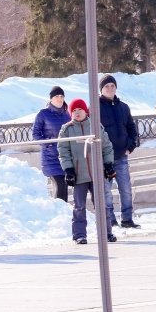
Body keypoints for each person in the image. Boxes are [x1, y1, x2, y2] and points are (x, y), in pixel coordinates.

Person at [57, 99, 117, 245]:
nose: (77, 113)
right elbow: (63, 151)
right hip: (78, 174)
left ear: (86, 111)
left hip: (97, 173)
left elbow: (107, 147)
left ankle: (106, 232)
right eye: (74, 111)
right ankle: (79, 235)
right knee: (79, 205)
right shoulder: (67, 129)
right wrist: (69, 169)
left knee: (101, 204)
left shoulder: (95, 126)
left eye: (80, 110)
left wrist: (108, 164)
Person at [97, 75, 140, 229]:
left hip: (122, 155)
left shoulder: (123, 107)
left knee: (126, 189)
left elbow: (131, 128)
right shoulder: (96, 107)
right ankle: (110, 219)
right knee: (106, 191)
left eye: (112, 86)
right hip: (104, 158)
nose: (110, 89)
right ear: (101, 89)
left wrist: (130, 146)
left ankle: (127, 219)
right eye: (106, 86)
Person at [32, 86, 71, 201]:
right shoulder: (43, 114)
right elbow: (35, 134)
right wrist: (47, 144)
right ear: (51, 99)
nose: (59, 99)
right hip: (51, 158)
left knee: (64, 189)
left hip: (65, 158)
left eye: (61, 96)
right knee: (59, 186)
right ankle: (59, 212)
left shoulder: (66, 114)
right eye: (56, 96)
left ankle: (63, 214)